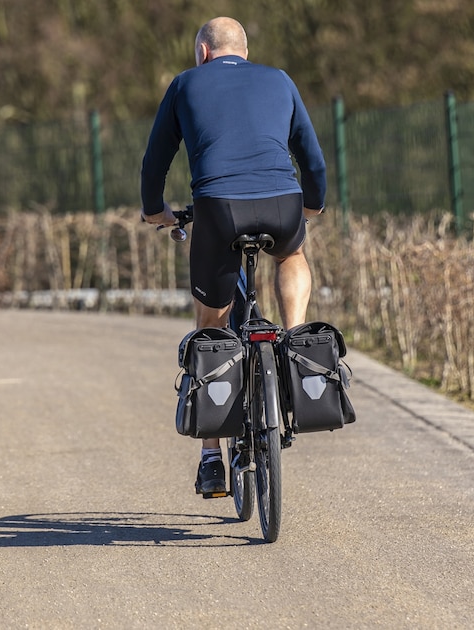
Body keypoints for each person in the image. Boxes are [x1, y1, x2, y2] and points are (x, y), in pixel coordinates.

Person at [140, 16, 328, 497]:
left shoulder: (185, 83)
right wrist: (312, 203)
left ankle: (210, 456)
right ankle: (295, 335)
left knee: (212, 329)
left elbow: (155, 160)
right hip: (283, 203)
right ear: (244, 50)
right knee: (292, 255)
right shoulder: (279, 80)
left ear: (203, 52)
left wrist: (156, 212)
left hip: (218, 210)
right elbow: (312, 156)